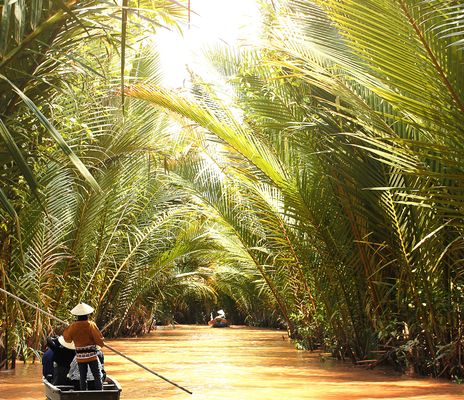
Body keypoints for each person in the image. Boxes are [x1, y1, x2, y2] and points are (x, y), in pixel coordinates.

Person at [63, 302, 104, 391]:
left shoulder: (73, 326)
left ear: (77, 316)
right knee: (97, 375)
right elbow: (99, 339)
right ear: (87, 315)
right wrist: (101, 344)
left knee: (83, 376)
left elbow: (67, 339)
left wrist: (70, 328)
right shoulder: (91, 325)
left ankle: (83, 393)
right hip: (92, 356)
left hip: (80, 357)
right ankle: (100, 393)